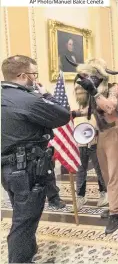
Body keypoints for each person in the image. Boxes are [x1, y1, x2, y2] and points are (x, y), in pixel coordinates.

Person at [1, 55, 71, 263]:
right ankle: (19, 259)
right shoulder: (28, 100)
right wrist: (46, 93)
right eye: (34, 74)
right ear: (23, 76)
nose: (35, 79)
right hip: (26, 169)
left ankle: (28, 252)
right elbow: (62, 115)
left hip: (8, 168)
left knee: (22, 211)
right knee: (25, 220)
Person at [65, 57, 118, 234]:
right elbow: (91, 109)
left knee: (114, 174)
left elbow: (109, 108)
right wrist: (73, 113)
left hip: (115, 133)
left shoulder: (112, 88)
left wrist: (94, 91)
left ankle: (116, 214)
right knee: (106, 175)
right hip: (100, 135)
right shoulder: (96, 91)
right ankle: (116, 204)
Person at [70, 112, 108, 210]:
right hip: (80, 140)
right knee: (80, 170)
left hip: (95, 140)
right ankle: (80, 196)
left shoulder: (94, 102)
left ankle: (104, 192)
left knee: (99, 169)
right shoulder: (74, 101)